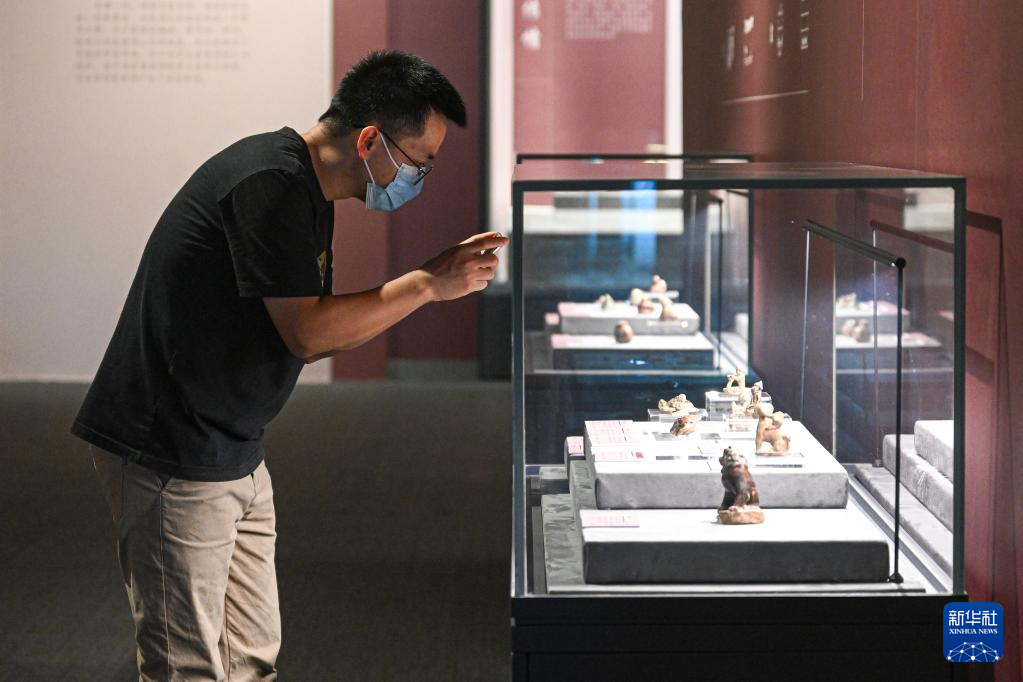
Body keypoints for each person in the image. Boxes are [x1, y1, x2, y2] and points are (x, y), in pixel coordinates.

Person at [71, 49, 506, 680]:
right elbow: (308, 332)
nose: (419, 180)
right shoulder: (268, 184)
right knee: (188, 667)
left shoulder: (303, 187)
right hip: (171, 448)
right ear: (369, 140)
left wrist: (426, 284)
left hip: (233, 444)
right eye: (419, 163)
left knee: (249, 657)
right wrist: (426, 284)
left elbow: (317, 331)